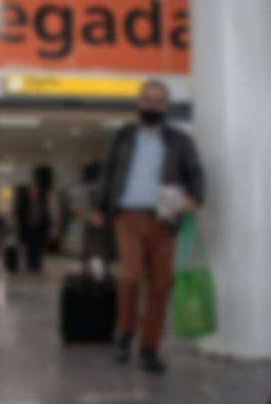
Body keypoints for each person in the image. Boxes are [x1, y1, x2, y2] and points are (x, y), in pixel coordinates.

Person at [90, 79, 204, 374]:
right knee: (130, 275)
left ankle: (149, 347)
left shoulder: (180, 140)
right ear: (138, 103)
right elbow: (108, 172)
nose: (152, 104)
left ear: (166, 107)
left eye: (159, 100)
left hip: (166, 215)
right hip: (127, 215)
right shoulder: (123, 136)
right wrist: (101, 207)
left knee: (160, 285)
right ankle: (126, 329)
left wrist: (195, 197)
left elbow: (196, 173)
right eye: (148, 99)